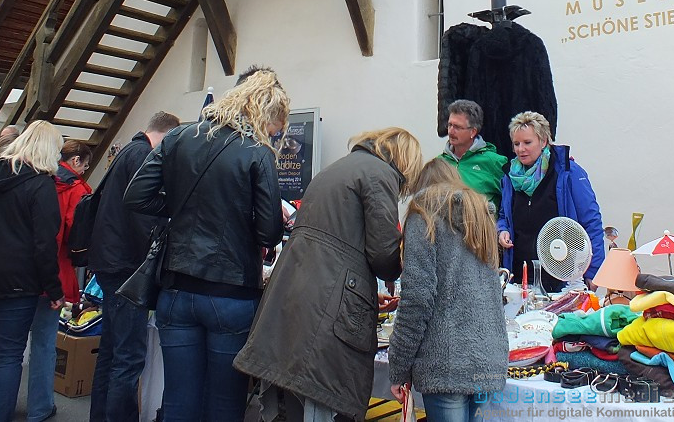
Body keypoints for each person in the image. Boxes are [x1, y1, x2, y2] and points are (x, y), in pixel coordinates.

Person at [125, 73, 289, 422]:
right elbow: (269, 233)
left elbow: (136, 196)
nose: (275, 135)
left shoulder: (180, 136)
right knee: (224, 404)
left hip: (176, 288)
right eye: (275, 127)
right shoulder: (257, 152)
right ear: (263, 113)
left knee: (179, 400)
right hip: (230, 291)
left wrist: (183, 210)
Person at [235, 127, 424, 422]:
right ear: (406, 160)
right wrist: (400, 263)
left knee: (292, 397)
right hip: (327, 310)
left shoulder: (338, 167)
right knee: (316, 397)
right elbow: (383, 252)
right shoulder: (379, 174)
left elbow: (331, 249)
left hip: (294, 295)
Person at [389, 159, 508, 422]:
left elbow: (417, 300)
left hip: (446, 362)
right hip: (487, 357)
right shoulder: (480, 216)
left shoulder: (423, 216)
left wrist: (398, 367)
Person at [0, 120, 63, 422]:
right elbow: (44, 243)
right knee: (8, 356)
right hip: (18, 279)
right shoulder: (41, 184)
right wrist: (54, 289)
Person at [89, 110, 179, 422]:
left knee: (112, 351)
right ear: (166, 137)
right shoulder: (143, 156)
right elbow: (142, 219)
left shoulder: (128, 150)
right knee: (128, 357)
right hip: (126, 264)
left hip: (109, 259)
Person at [497, 111, 605, 291]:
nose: (520, 149)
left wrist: (593, 272)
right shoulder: (509, 176)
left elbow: (591, 221)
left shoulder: (569, 172)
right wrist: (502, 230)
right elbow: (504, 215)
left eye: (527, 143)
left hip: (562, 279)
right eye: (516, 144)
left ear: (544, 141)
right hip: (520, 277)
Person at [26, 139, 93, 422]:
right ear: (76, 162)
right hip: (54, 270)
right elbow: (75, 235)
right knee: (43, 343)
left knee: (8, 346)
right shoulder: (77, 189)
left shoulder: (33, 180)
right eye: (86, 165)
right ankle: (39, 407)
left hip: (18, 269)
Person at [440, 99, 507, 210]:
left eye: (457, 127)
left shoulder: (494, 162)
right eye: (449, 125)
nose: (451, 131)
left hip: (481, 225)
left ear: (473, 132)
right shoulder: (440, 163)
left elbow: (509, 203)